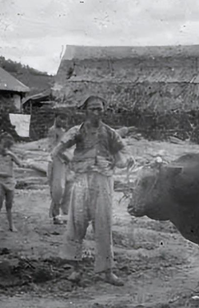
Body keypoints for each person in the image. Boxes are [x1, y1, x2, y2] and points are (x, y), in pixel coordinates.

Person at [51, 95, 134, 286]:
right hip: (82, 181)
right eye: (93, 108)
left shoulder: (110, 133)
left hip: (103, 181)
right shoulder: (76, 131)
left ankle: (107, 271)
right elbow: (57, 150)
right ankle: (75, 269)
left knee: (104, 225)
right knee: (76, 223)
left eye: (100, 109)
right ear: (86, 110)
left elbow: (122, 156)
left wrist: (123, 162)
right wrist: (71, 162)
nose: (97, 112)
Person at [0, 133, 24, 232]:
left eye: (7, 147)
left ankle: (11, 225)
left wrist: (11, 154)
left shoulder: (10, 155)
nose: (4, 149)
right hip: (0, 183)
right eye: (2, 145)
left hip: (10, 183)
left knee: (9, 205)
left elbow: (20, 164)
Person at [47, 114, 73, 225]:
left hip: (67, 161)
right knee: (58, 189)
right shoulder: (53, 130)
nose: (61, 121)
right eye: (60, 118)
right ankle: (56, 216)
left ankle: (66, 215)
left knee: (69, 187)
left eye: (63, 118)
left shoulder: (64, 131)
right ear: (55, 118)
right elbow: (53, 147)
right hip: (57, 160)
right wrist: (63, 155)